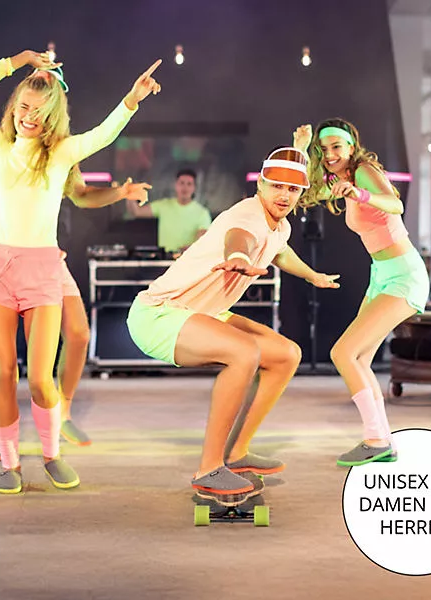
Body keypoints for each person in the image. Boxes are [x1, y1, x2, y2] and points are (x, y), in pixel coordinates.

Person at [0, 49, 161, 493]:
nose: (29, 117)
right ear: (14, 107)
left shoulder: (60, 155)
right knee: (3, 371)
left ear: (52, 117)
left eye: (40, 112)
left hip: (42, 271)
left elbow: (105, 134)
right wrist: (17, 61)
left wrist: (132, 99)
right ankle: (10, 464)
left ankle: (52, 455)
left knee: (39, 378)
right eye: (24, 107)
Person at [127, 147, 340, 498]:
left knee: (286, 354)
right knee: (244, 351)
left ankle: (237, 453)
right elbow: (239, 237)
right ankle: (209, 469)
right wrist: (238, 256)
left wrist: (312, 275)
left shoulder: (280, 225)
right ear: (260, 185)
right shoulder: (248, 213)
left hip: (205, 312)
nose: (284, 195)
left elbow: (280, 251)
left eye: (292, 189)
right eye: (277, 186)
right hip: (160, 313)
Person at [0, 146, 150, 459]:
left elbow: (81, 194)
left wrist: (121, 193)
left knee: (79, 334)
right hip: (4, 259)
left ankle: (64, 414)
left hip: (46, 258)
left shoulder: (59, 148)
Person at [294, 118, 430, 467]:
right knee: (360, 359)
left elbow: (396, 204)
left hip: (404, 274)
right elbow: (305, 194)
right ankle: (383, 440)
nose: (329, 155)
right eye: (323, 149)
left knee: (343, 353)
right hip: (381, 274)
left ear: (351, 147)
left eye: (336, 147)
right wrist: (299, 149)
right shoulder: (338, 179)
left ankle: (375, 440)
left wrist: (361, 194)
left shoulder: (363, 171)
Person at [126, 168, 211, 253]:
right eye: (181, 183)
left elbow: (202, 240)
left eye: (189, 184)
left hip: (188, 258)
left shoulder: (202, 213)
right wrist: (129, 192)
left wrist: (191, 248)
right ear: (175, 185)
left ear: (194, 188)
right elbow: (137, 212)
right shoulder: (163, 205)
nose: (185, 187)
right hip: (164, 258)